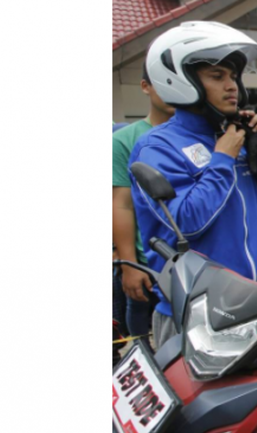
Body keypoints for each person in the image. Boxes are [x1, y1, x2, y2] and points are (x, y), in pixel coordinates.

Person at [129, 22, 257, 350]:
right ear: (181, 80)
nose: (232, 87)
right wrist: (223, 159)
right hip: (197, 314)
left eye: (233, 76)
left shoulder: (232, 134)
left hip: (256, 303)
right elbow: (185, 222)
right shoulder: (157, 147)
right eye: (217, 76)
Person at [112, 61, 175, 347]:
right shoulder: (125, 140)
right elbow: (121, 205)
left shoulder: (205, 135)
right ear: (145, 86)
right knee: (143, 342)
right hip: (147, 261)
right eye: (163, 82)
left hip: (192, 263)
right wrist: (129, 265)